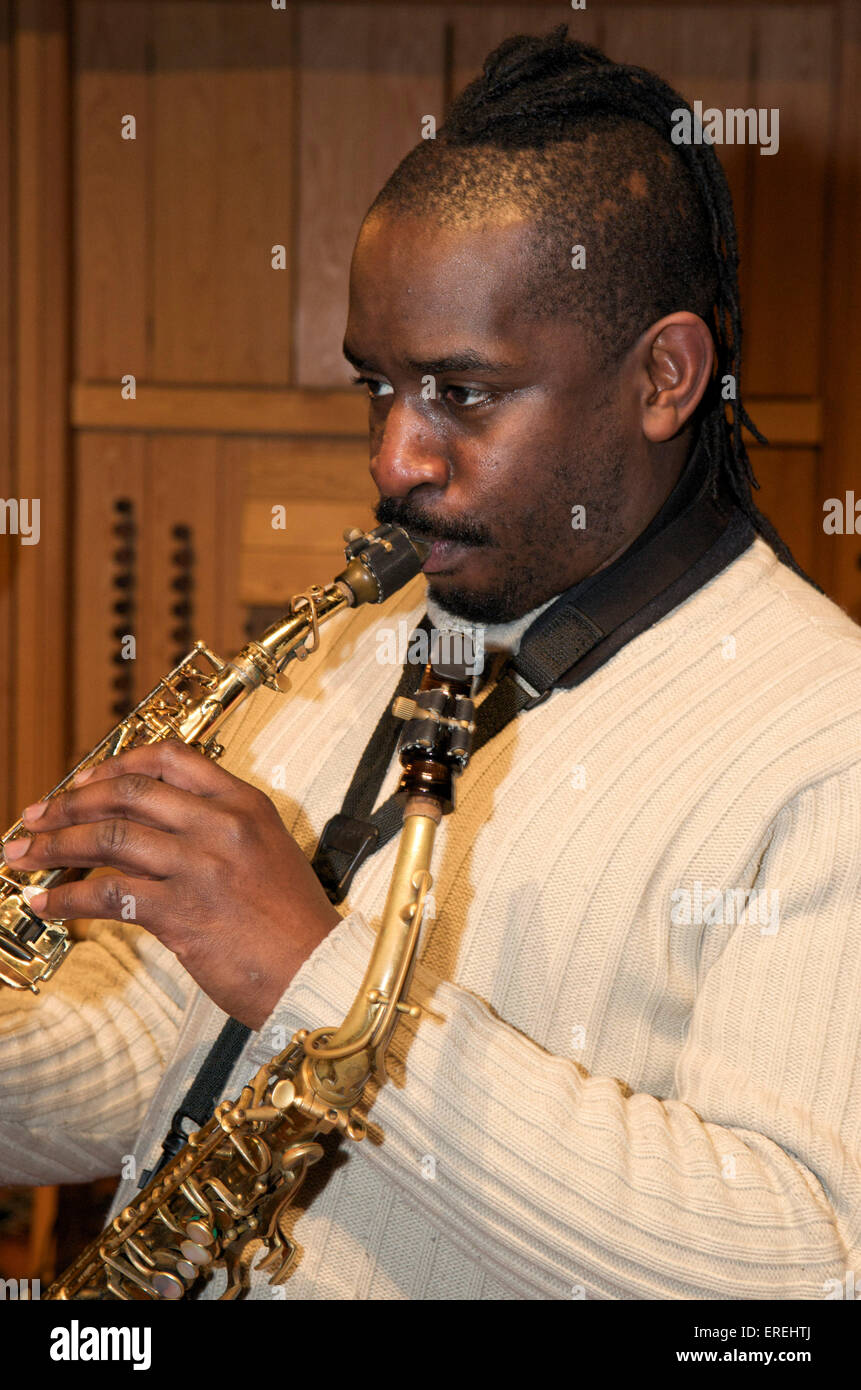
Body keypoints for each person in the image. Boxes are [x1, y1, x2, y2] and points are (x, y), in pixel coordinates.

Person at [1, 28, 859, 1300]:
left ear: (665, 376)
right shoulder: (362, 634)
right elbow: (169, 1058)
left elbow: (806, 1264)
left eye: (462, 392)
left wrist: (318, 974)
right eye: (378, 389)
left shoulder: (824, 740)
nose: (396, 459)